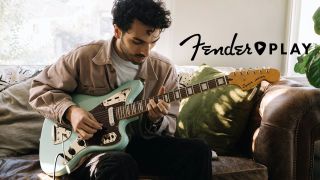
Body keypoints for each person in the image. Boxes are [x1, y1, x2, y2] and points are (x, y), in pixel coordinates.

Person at [29, 0, 212, 179]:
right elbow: (40, 89)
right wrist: (71, 112)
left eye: (153, 42)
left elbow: (167, 127)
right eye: (137, 41)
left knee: (198, 151)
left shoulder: (164, 69)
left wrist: (154, 120)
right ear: (117, 30)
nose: (146, 52)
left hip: (137, 144)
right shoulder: (84, 56)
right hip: (90, 149)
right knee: (118, 165)